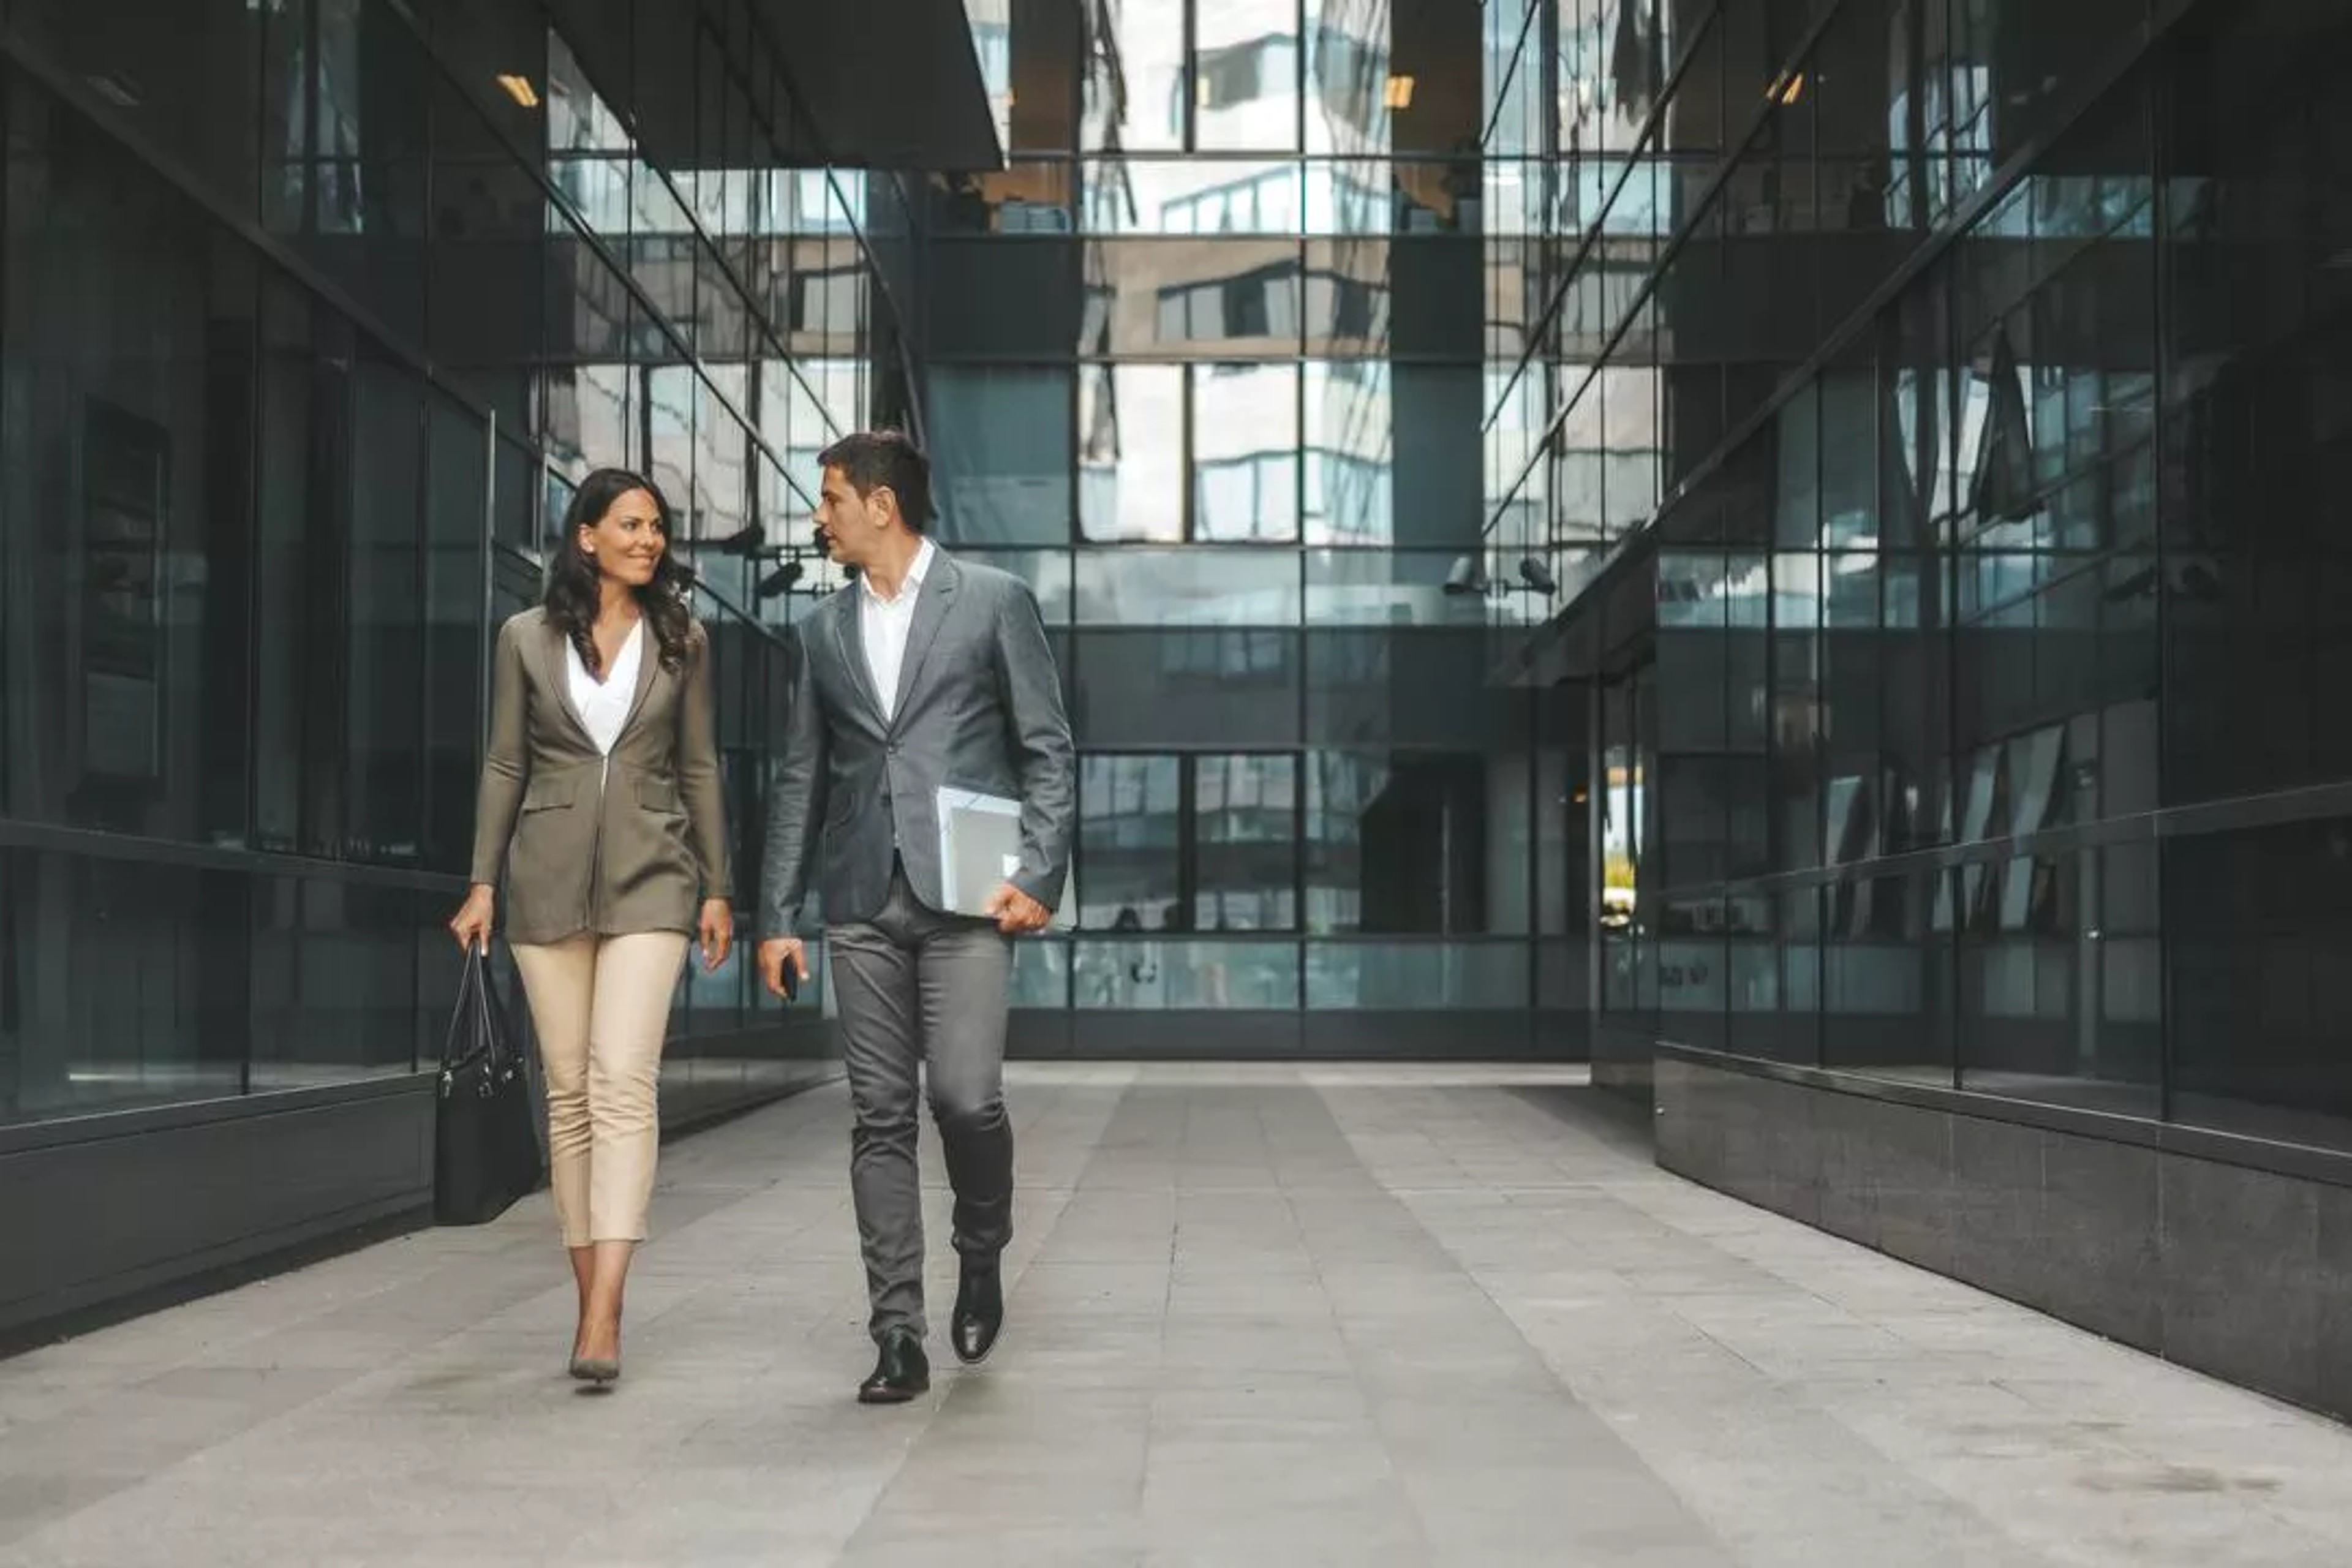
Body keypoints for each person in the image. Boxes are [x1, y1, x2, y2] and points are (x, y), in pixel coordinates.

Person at [758, 429, 1075, 1405]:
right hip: (860, 899)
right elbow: (801, 776)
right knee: (879, 1117)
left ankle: (981, 1248)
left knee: (968, 1099)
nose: (821, 517)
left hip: (970, 897)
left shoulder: (991, 603)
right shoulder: (820, 632)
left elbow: (1048, 751)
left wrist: (1040, 875)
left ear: (880, 505)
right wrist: (777, 913)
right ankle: (896, 1332)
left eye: (831, 499)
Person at [448, 468, 733, 1387]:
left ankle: (607, 1310)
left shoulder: (683, 639)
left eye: (657, 527)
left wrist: (719, 889)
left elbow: (700, 769)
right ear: (587, 537)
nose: (649, 540)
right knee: (568, 1093)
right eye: (631, 524)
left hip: (655, 882)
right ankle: (587, 1300)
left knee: (622, 1082)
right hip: (545, 883)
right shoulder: (524, 639)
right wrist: (481, 881)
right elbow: (504, 762)